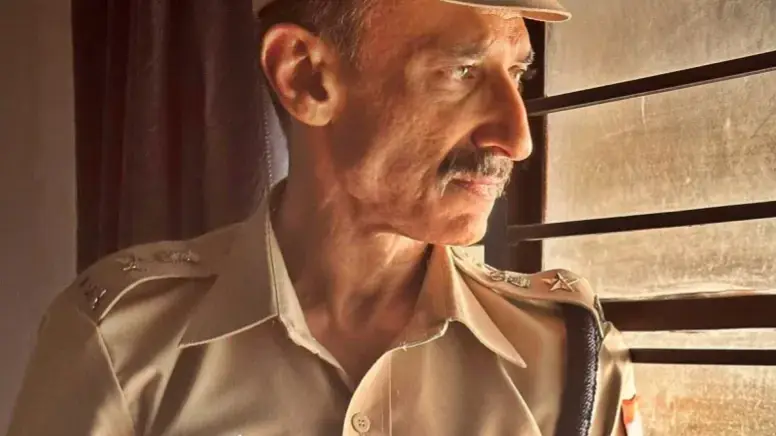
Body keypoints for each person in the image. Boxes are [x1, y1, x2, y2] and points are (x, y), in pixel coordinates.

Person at [8, 0, 640, 435]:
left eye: (517, 73)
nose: (517, 138)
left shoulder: (569, 359)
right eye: (461, 71)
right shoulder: (120, 344)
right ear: (306, 77)